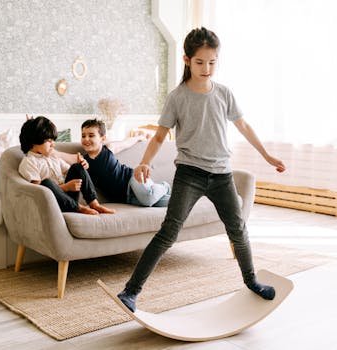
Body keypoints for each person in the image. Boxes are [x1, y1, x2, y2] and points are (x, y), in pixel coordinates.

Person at [116, 27, 286, 312]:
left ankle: (251, 281)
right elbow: (159, 136)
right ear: (186, 60)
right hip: (189, 174)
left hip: (222, 175)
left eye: (212, 62)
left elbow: (243, 126)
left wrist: (267, 155)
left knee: (238, 229)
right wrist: (144, 162)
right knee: (168, 233)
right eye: (200, 62)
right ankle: (131, 291)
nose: (206, 68)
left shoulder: (224, 94)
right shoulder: (177, 97)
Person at [18, 116, 114, 215]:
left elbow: (70, 171)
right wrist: (66, 187)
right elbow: (38, 191)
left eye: (53, 141)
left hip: (68, 197)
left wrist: (81, 167)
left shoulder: (52, 157)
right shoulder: (29, 162)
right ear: (34, 141)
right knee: (46, 182)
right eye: (49, 141)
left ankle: (94, 203)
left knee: (77, 167)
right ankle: (79, 208)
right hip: (54, 201)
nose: (53, 145)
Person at [80, 118, 171, 208]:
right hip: (126, 198)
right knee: (167, 203)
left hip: (132, 178)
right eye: (83, 136)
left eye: (91, 135)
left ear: (102, 139)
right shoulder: (82, 160)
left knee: (147, 198)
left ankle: (165, 187)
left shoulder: (108, 149)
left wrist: (139, 137)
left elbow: (126, 143)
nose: (86, 139)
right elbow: (65, 156)